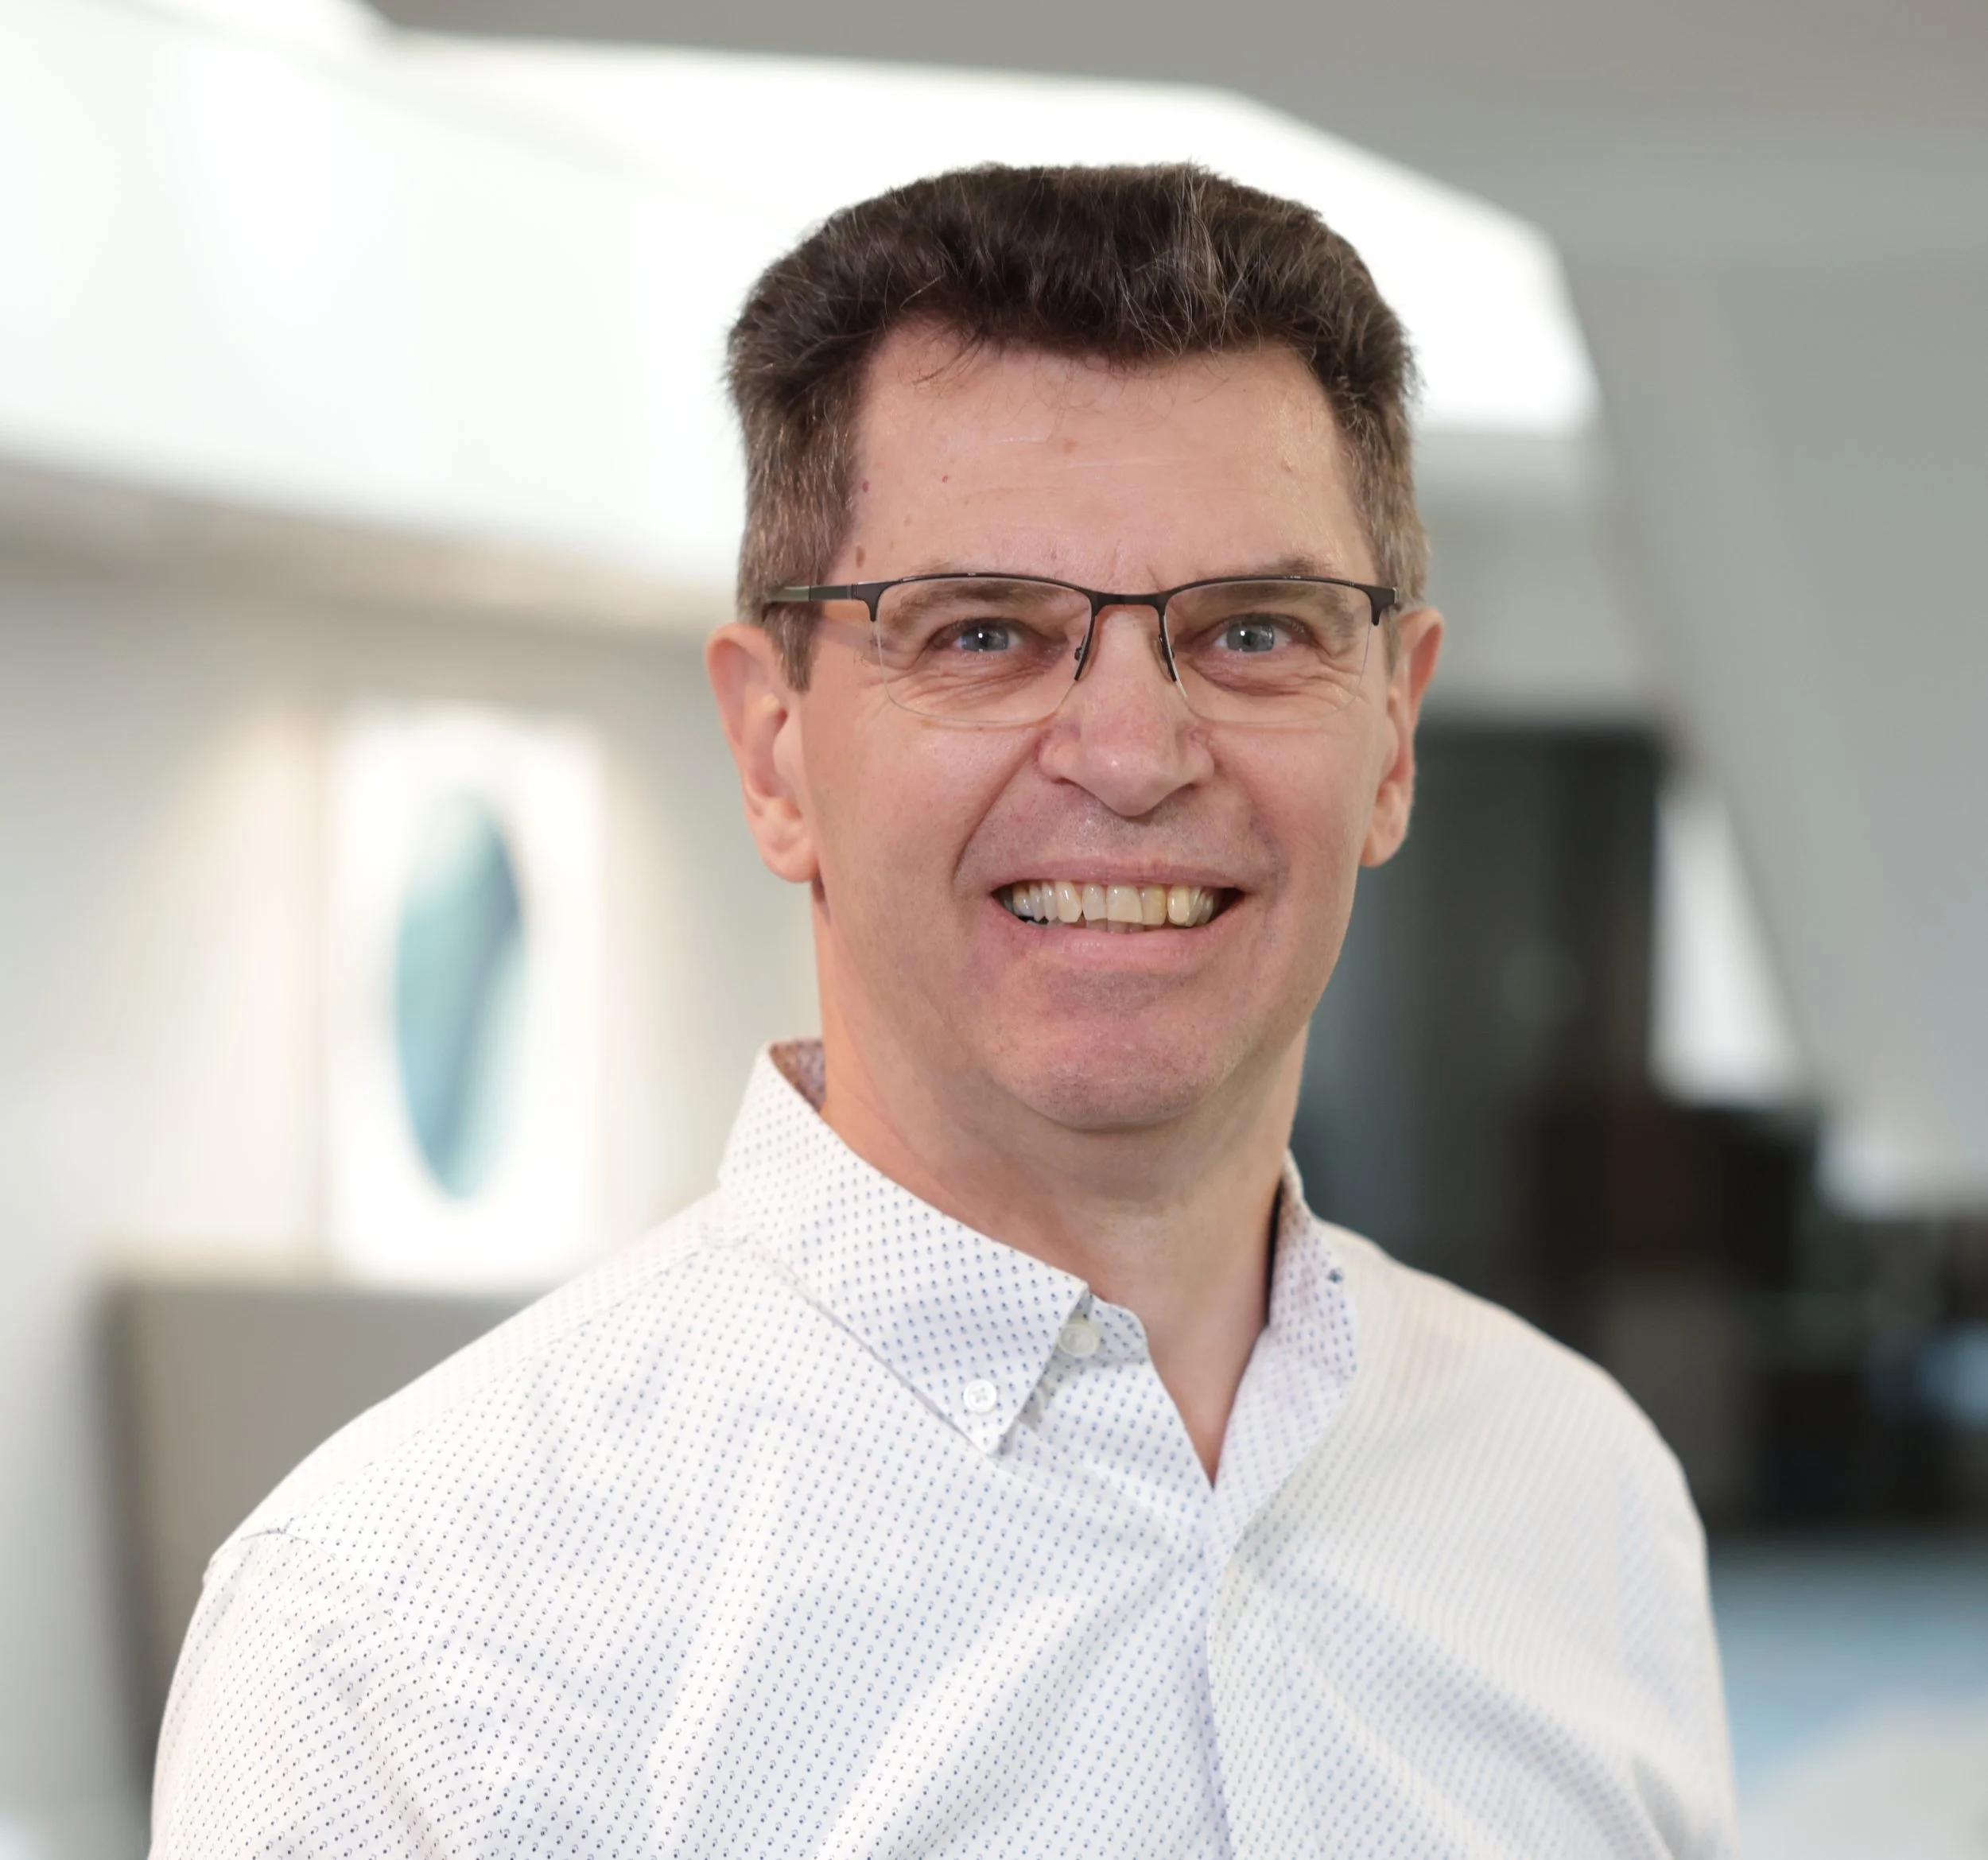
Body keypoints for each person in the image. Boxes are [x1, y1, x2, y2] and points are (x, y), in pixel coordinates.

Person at [153, 165, 1738, 1858]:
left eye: (1254, 631)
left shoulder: (1581, 1497)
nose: (1132, 754)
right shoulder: (399, 1639)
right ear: (775, 751)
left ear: (1394, 735)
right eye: (983, 632)